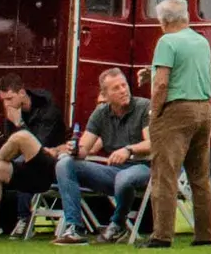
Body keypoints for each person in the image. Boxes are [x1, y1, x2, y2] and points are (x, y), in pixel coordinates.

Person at [142, 0, 211, 248]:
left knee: (165, 173)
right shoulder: (201, 41)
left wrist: (154, 111)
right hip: (203, 109)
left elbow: (162, 83)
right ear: (185, 17)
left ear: (164, 21)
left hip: (176, 111)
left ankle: (162, 235)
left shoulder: (166, 41)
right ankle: (205, 234)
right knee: (200, 175)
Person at [56, 67, 153, 241]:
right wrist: (75, 149)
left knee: (124, 178)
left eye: (124, 85)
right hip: (113, 171)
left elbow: (152, 143)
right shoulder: (100, 114)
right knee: (64, 163)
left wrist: (128, 149)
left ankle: (118, 224)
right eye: (116, 88)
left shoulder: (144, 106)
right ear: (105, 95)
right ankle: (74, 227)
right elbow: (84, 149)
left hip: (145, 166)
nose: (123, 90)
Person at [0, 81, 63, 238]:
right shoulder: (12, 113)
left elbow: (39, 143)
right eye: (3, 100)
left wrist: (19, 123)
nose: (6, 104)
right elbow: (10, 146)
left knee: (21, 137)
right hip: (25, 169)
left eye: (9, 99)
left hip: (49, 166)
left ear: (22, 93)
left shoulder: (48, 109)